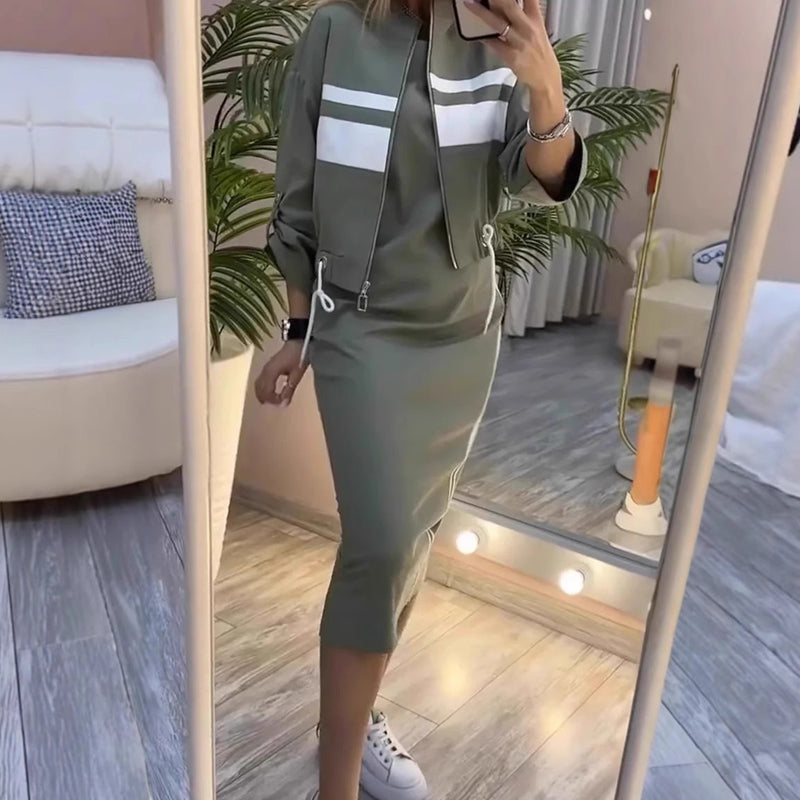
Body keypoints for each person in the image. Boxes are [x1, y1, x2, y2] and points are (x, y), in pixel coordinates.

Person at [255, 0, 585, 797]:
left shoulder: (496, 41)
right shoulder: (335, 34)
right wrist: (297, 332)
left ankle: (354, 717)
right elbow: (297, 197)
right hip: (359, 329)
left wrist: (544, 86)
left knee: (405, 548)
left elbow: (544, 178)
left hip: (461, 338)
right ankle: (337, 782)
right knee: (379, 544)